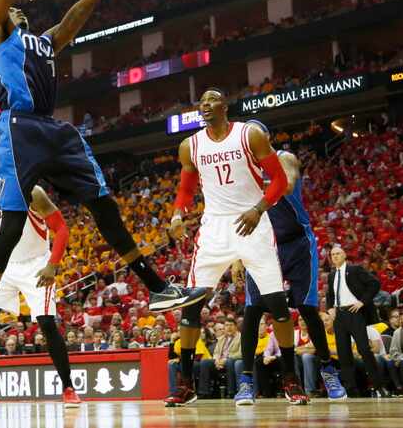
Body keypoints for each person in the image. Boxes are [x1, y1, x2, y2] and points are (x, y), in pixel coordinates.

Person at [0, 0, 206, 369]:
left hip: (54, 130)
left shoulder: (47, 40)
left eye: (17, 6)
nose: (14, 5)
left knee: (102, 203)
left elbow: (86, 5)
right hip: (18, 129)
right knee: (9, 227)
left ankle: (157, 286)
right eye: (9, 4)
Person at [165, 88, 307, 407]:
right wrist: (177, 213)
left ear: (225, 106)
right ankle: (186, 383)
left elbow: (279, 180)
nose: (205, 105)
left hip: (253, 222)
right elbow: (186, 186)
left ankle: (290, 378)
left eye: (212, 100)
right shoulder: (190, 145)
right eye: (201, 102)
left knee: (278, 307)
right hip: (214, 228)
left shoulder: (250, 135)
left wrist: (259, 209)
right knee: (191, 307)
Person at [233, 120, 346, 401]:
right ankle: (246, 381)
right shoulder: (243, 171)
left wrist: (256, 183)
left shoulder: (285, 158)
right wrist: (237, 255)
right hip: (261, 245)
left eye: (254, 136)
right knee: (252, 311)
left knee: (307, 309)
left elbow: (286, 184)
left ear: (266, 137)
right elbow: (235, 214)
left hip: (297, 243)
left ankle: (327, 369)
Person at [0, 185, 82, 408]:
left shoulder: (32, 192)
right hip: (4, 266)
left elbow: (61, 228)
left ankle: (68, 388)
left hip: (37, 264)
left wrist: (53, 265)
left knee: (47, 324)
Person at [326, 246, 389, 397]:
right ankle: (350, 390)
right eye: (332, 254)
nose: (335, 256)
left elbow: (375, 284)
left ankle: (379, 386)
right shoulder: (331, 275)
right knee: (343, 353)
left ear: (344, 255)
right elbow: (330, 294)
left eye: (338, 253)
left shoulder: (355, 270)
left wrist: (362, 301)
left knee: (364, 350)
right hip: (339, 316)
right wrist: (330, 308)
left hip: (355, 313)